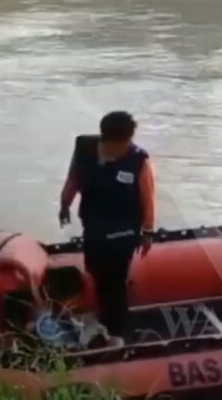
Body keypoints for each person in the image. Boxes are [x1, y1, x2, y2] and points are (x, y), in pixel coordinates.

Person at [59, 110, 156, 347]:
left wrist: (148, 232)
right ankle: (103, 321)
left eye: (127, 142)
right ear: (106, 140)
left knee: (116, 281)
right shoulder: (86, 151)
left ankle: (117, 333)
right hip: (95, 226)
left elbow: (148, 198)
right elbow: (74, 179)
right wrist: (65, 204)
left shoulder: (138, 161)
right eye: (120, 144)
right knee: (96, 271)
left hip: (124, 230)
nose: (125, 147)